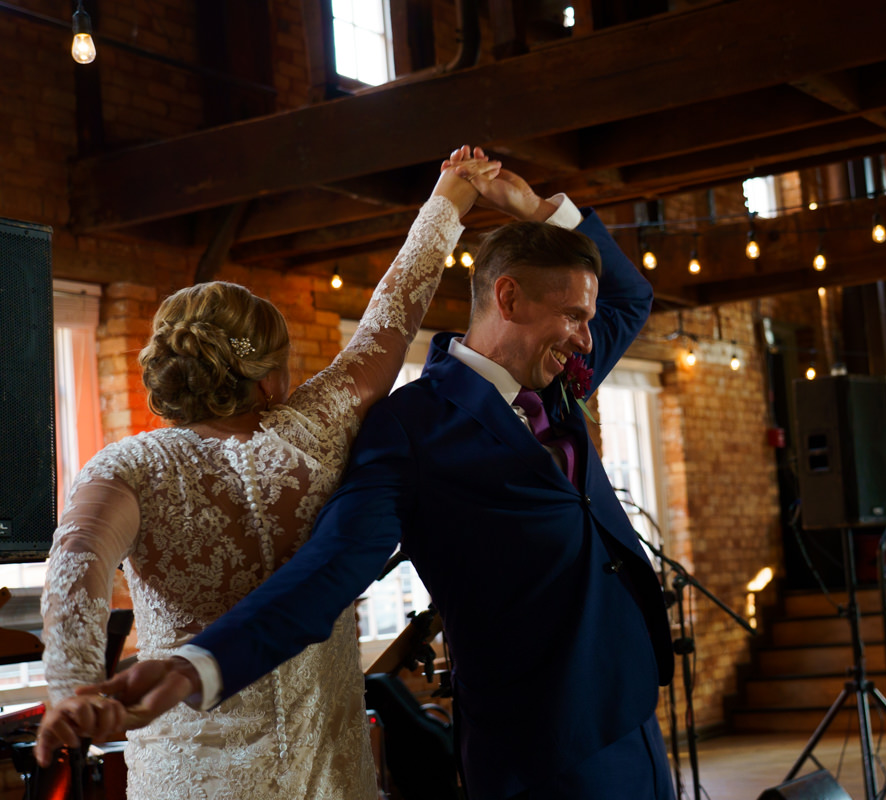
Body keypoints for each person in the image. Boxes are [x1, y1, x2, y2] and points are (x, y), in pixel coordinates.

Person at [44, 160, 677, 800]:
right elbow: (329, 567)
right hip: (538, 741)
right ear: (508, 298)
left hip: (631, 711)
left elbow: (633, 297)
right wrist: (193, 669)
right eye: (572, 316)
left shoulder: (560, 365)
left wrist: (538, 209)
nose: (587, 339)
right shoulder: (399, 427)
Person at [34, 148, 498, 799]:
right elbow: (394, 307)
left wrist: (73, 688)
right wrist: (453, 192)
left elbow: (77, 559)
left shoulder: (130, 469)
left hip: (192, 779)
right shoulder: (322, 427)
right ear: (271, 374)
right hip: (326, 776)